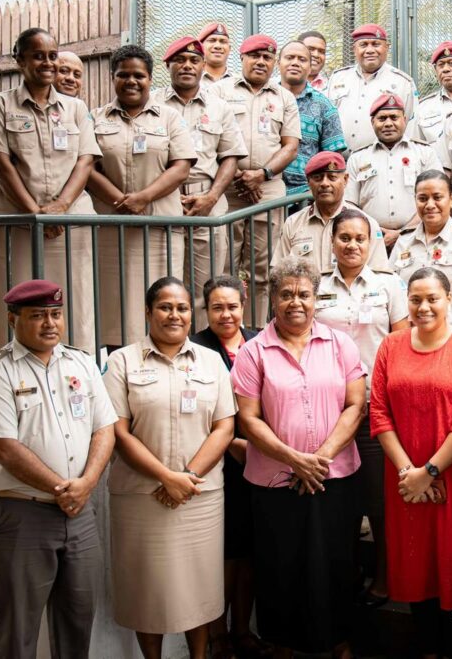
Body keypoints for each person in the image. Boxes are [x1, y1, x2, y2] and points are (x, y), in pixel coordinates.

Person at [231, 255, 367, 659]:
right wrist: (295, 459)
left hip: (335, 476)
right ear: (272, 299)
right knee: (280, 566)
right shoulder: (253, 352)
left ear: (316, 299)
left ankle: (338, 642)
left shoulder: (339, 344)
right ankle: (284, 646)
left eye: (304, 295)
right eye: (286, 294)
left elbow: (355, 405)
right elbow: (248, 419)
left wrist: (318, 459)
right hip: (276, 482)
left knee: (336, 562)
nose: (296, 302)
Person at [0, 280, 117, 659]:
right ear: (12, 319)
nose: (49, 324)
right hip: (22, 516)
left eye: (55, 314)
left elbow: (105, 428)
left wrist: (86, 484)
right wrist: (66, 490)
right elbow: (4, 447)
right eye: (37, 316)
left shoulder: (81, 363)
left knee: (77, 621)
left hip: (79, 515)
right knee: (16, 632)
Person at [103, 277, 236, 659]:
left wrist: (186, 478)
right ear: (148, 312)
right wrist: (166, 478)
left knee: (199, 589)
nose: (174, 314)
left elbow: (225, 426)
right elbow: (118, 431)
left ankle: (198, 656)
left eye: (181, 308)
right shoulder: (121, 361)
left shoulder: (211, 361)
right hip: (143, 498)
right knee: (148, 591)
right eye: (165, 307)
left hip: (199, 497)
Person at [369, 267, 452, 658]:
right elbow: (379, 413)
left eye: (432, 298)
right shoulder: (390, 345)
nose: (423, 307)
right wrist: (411, 474)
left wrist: (431, 472)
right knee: (414, 565)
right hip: (404, 479)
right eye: (415, 299)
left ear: (449, 299)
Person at [0, 28, 100, 353]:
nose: (46, 62)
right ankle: (7, 376)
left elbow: (86, 160)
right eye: (37, 55)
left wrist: (60, 206)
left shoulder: (75, 108)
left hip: (69, 226)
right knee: (12, 299)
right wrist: (35, 212)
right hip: (15, 223)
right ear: (19, 59)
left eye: (51, 55)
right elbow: (0, 162)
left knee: (74, 301)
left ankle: (78, 373)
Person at [314, 207, 410, 608]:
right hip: (326, 412)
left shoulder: (389, 286)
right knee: (337, 502)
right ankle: (343, 575)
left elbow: (402, 347)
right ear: (332, 242)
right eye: (344, 238)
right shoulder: (315, 286)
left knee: (379, 500)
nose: (352, 245)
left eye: (360, 238)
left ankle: (385, 578)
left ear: (372, 243)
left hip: (375, 411)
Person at [86, 44, 195, 347]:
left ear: (150, 78)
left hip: (160, 229)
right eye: (123, 75)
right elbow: (88, 167)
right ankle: (119, 366)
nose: (131, 81)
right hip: (112, 230)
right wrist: (121, 201)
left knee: (163, 300)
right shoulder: (97, 118)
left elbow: (182, 166)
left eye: (139, 75)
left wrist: (144, 197)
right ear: (113, 77)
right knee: (115, 306)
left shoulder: (169, 118)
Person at [189, 276, 266, 659]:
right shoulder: (196, 347)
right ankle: (218, 636)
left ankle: (242, 631)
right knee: (222, 555)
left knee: (251, 552)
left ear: (244, 304)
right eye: (217, 307)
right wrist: (231, 444)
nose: (226, 314)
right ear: (206, 309)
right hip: (218, 463)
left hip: (262, 459)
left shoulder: (260, 340)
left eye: (232, 306)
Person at [209, 34, 301, 328]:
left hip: (268, 188)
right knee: (225, 264)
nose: (261, 61)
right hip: (228, 187)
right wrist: (237, 175)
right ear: (242, 58)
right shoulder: (219, 91)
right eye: (254, 55)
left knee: (262, 267)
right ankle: (225, 331)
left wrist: (261, 175)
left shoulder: (284, 97)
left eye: (267, 57)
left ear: (274, 62)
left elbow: (290, 146)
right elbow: (211, 139)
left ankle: (257, 331)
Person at [155, 36, 248, 328]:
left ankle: (199, 352)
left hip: (207, 204)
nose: (187, 66)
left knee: (204, 287)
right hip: (163, 202)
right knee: (162, 286)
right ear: (167, 65)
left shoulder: (219, 107)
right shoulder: (153, 103)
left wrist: (211, 197)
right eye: (179, 60)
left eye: (194, 60)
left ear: (203, 65)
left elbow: (230, 157)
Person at [389, 170, 452, 327]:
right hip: (411, 339)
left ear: (451, 199)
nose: (430, 205)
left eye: (437, 197)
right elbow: (392, 296)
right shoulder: (404, 242)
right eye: (423, 198)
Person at [345, 93, 442, 248]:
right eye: (382, 118)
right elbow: (349, 203)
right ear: (372, 122)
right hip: (369, 240)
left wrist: (402, 233)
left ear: (404, 119)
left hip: (418, 237)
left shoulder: (425, 152)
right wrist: (376, 231)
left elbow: (438, 197)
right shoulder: (358, 158)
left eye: (394, 117)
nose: (388, 123)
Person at [273, 151, 388, 273]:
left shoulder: (366, 224)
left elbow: (379, 275)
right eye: (317, 178)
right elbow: (279, 273)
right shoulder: (293, 223)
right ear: (308, 182)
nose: (324, 183)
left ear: (345, 179)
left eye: (332, 177)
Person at [326, 24, 419, 152]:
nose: (369, 50)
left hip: (382, 162)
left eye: (376, 44)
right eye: (363, 45)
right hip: (338, 163)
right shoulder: (338, 78)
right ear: (354, 49)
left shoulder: (403, 82)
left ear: (386, 47)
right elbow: (326, 120)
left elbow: (411, 129)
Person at [279, 39, 346, 199]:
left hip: (305, 196)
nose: (295, 63)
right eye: (289, 58)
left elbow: (332, 157)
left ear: (310, 67)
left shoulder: (324, 106)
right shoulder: (264, 97)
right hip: (263, 192)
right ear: (278, 63)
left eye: (302, 59)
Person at [412, 41, 452, 143]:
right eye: (441, 65)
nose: (445, 69)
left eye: (451, 63)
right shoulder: (423, 108)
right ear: (435, 70)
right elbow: (417, 148)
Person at [199, 22, 233, 88]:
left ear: (229, 49)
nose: (218, 46)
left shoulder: (238, 83)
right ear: (201, 47)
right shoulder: (192, 81)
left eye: (223, 41)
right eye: (212, 40)